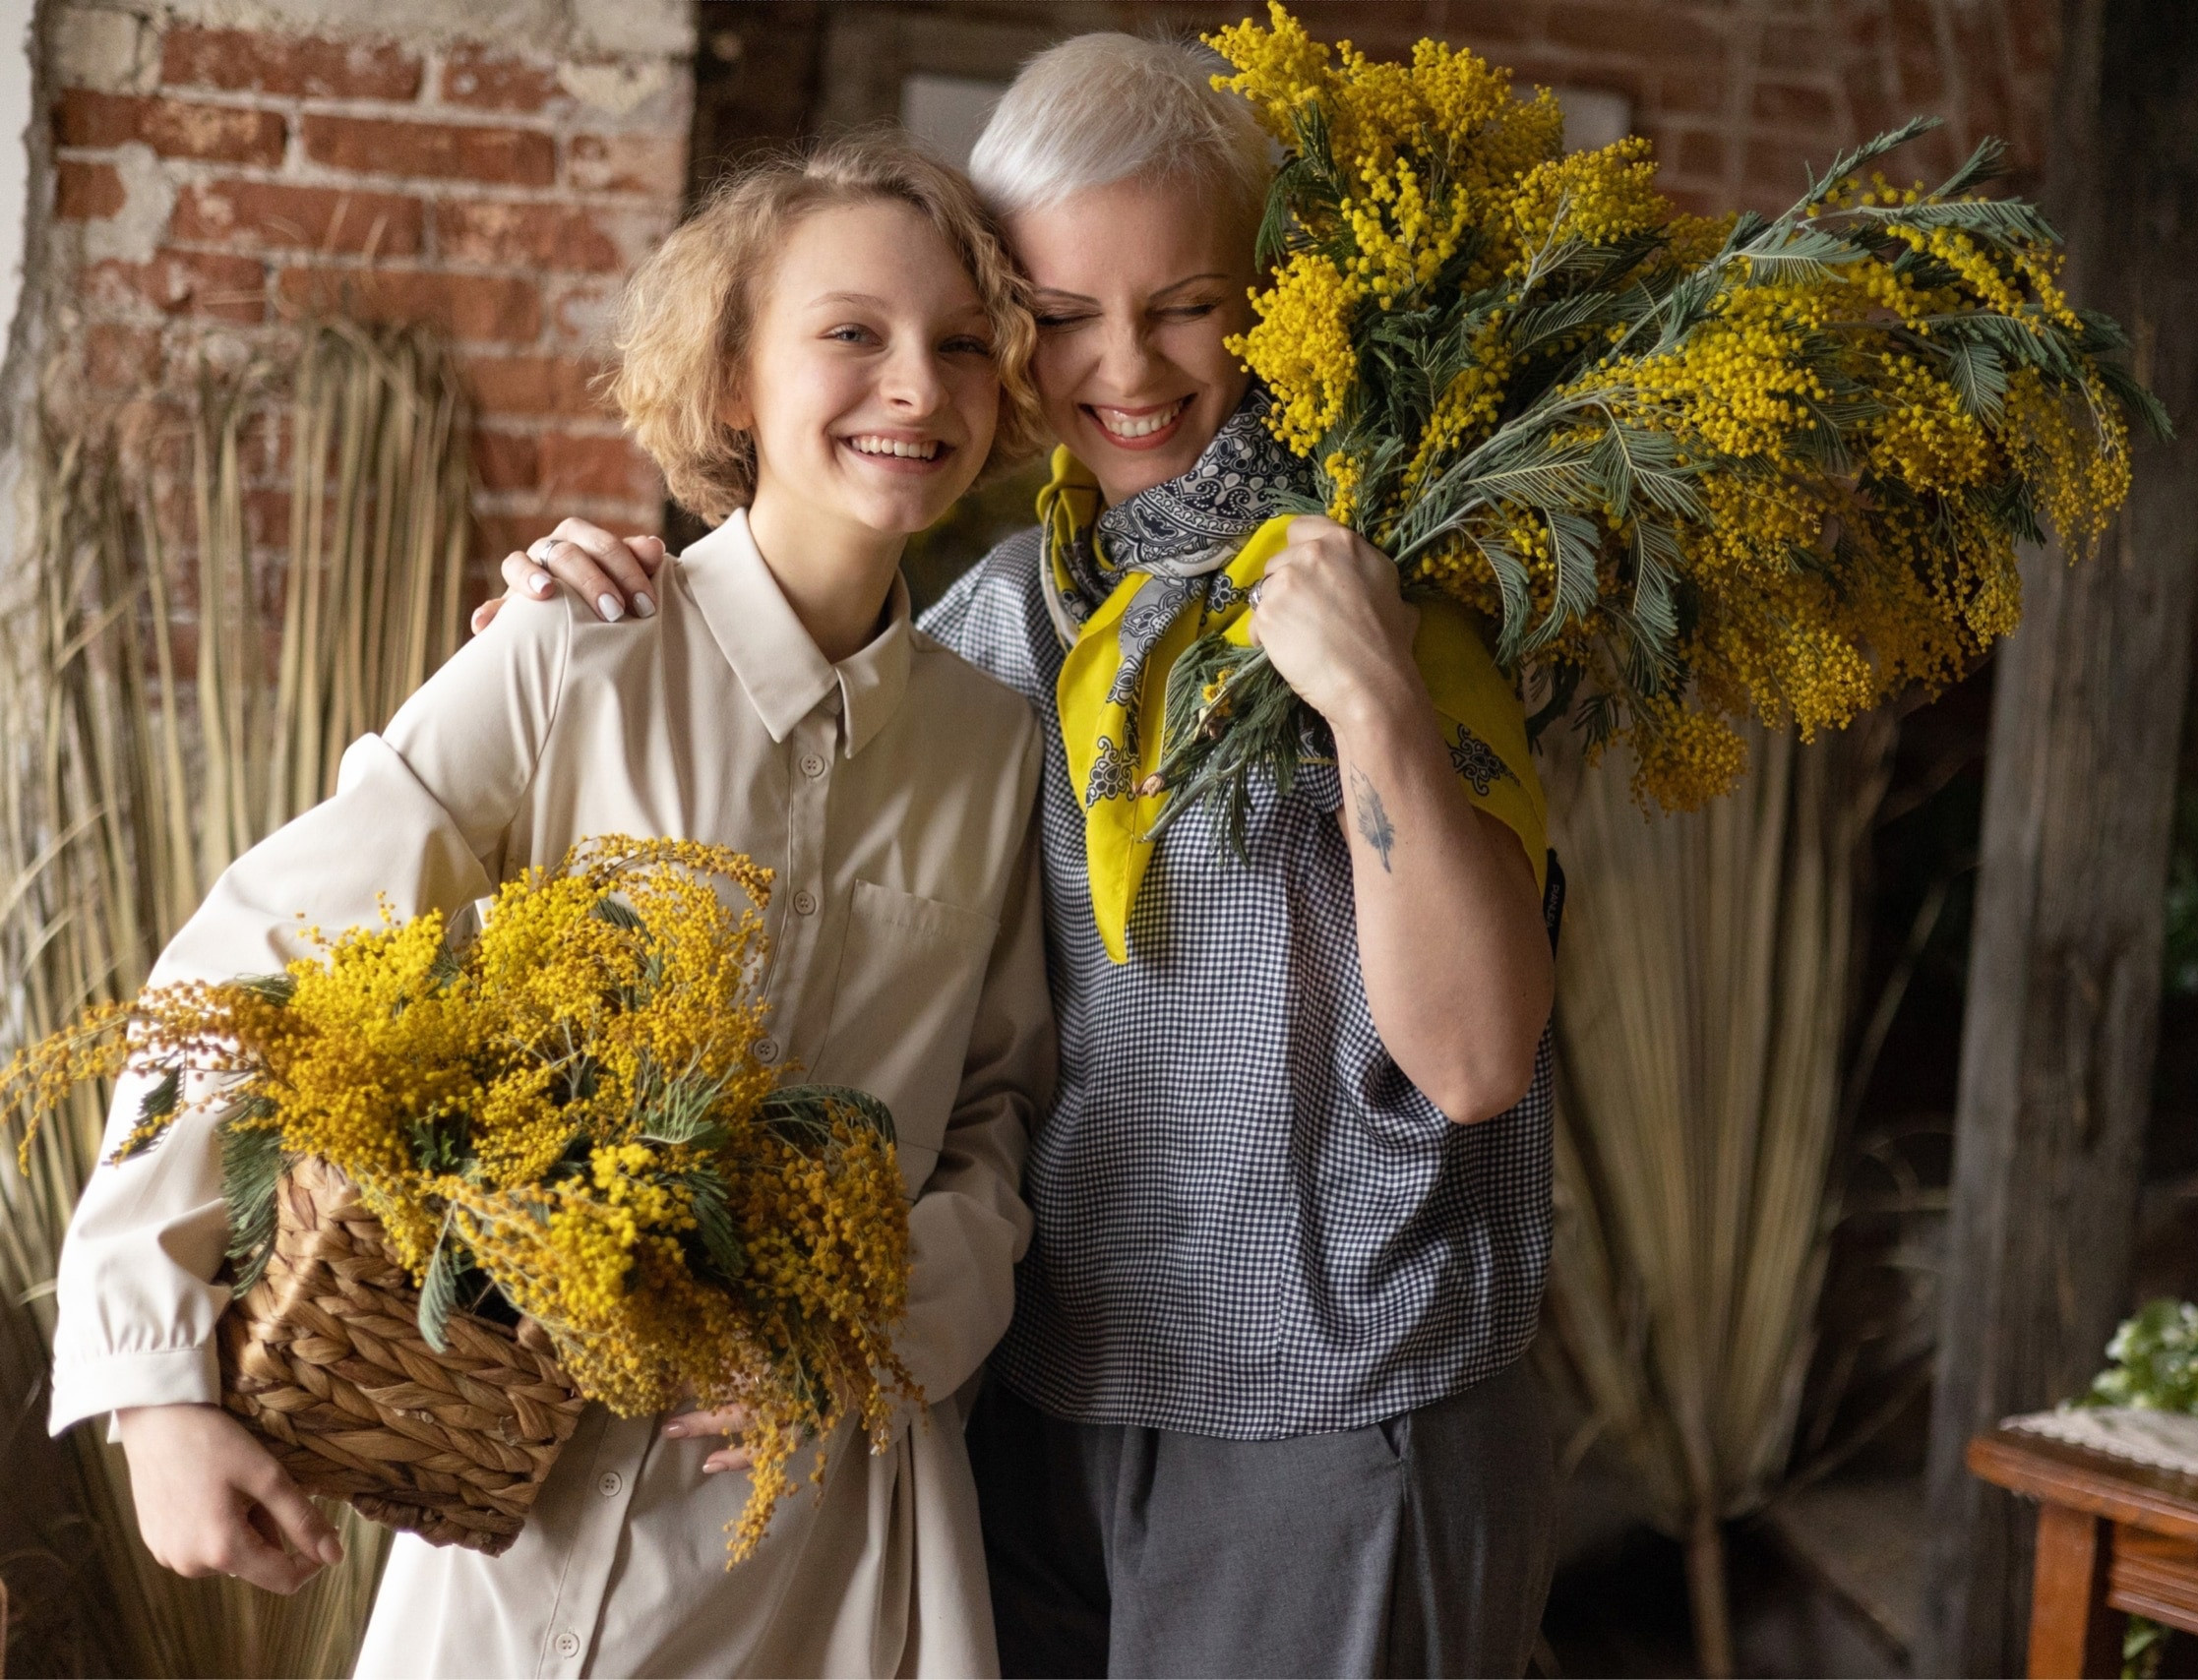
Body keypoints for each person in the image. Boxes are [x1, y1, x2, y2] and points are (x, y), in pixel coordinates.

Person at [485, 33, 1560, 1680]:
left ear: (1275, 298)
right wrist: (570, 618)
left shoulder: (1402, 579)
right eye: (1060, 319)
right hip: (1040, 1406)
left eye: (1188, 300)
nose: (1124, 365)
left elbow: (1480, 1061)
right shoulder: (991, 640)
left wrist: (1374, 699)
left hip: (1339, 1406)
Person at [49, 137, 1056, 1678]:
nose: (915, 383)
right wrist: (152, 1387)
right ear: (731, 381)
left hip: (822, 1552)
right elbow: (253, 965)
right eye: (851, 332)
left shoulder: (995, 747)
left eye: (965, 342)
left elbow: (991, 1119)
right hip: (517, 1533)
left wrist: (888, 1330)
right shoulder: (569, 651)